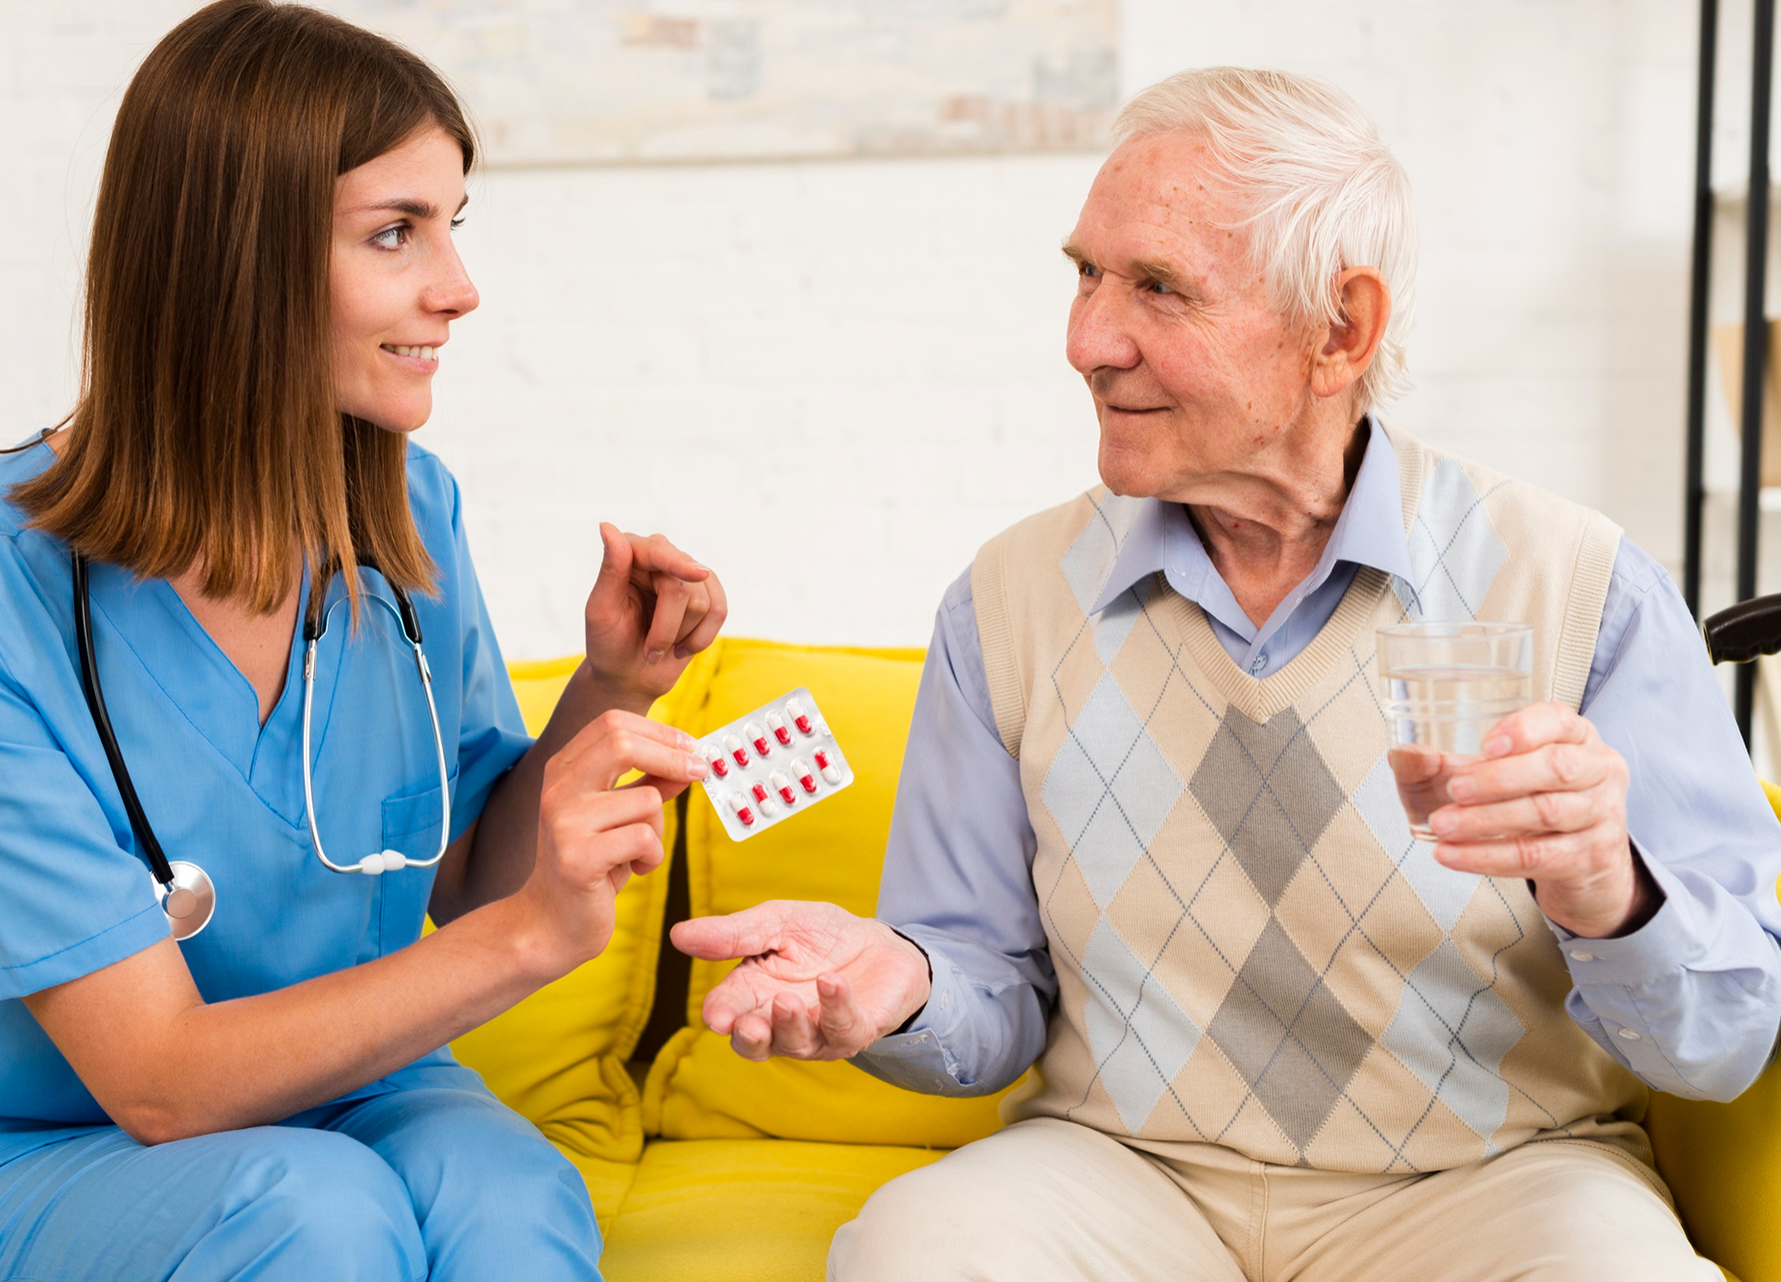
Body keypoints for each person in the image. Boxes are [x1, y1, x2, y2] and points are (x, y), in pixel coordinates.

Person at [674, 68, 1781, 1280]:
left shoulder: (1582, 590)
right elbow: (986, 997)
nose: (1088, 340)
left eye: (1157, 286)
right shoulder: (1007, 601)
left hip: (1489, 1181)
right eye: (1086, 273)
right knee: (912, 1251)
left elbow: (1725, 1039)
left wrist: (1607, 888)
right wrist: (899, 988)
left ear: (1340, 332)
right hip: (1123, 1173)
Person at [0, 3, 722, 1278]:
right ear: (236, 261)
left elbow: (464, 875)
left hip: (362, 1088)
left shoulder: (406, 512)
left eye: (452, 225)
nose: (459, 288)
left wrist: (608, 688)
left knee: (509, 1201)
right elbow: (158, 1082)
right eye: (396, 233)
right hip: (44, 1147)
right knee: (306, 1210)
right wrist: (534, 937)